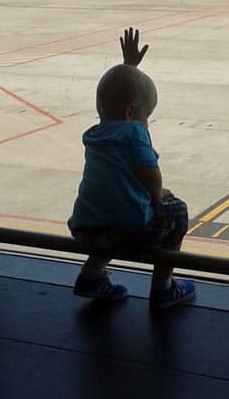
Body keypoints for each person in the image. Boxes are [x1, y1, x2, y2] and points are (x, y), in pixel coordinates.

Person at [68, 28, 196, 309]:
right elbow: (149, 172)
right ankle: (163, 287)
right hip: (125, 232)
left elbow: (119, 93)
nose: (146, 122)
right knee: (178, 211)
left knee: (111, 206)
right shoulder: (133, 132)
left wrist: (128, 68)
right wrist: (157, 195)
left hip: (86, 228)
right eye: (146, 115)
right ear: (131, 113)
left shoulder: (97, 133)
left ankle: (91, 275)